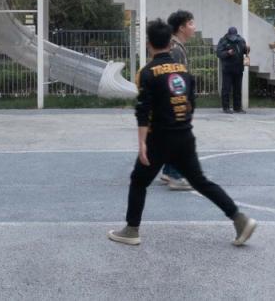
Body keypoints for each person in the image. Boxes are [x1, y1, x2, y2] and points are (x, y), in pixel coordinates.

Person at [108, 19, 257, 247]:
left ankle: (131, 230)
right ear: (170, 43)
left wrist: (142, 143)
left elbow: (143, 111)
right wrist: (182, 126)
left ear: (148, 44)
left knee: (138, 181)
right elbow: (190, 105)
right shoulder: (184, 71)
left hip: (159, 138)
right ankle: (240, 219)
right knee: (201, 182)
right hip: (184, 135)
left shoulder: (147, 73)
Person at [159, 10, 198, 192]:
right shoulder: (175, 49)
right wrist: (182, 101)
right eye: (191, 23)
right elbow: (173, 78)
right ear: (181, 28)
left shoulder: (175, 46)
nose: (194, 27)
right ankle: (176, 177)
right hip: (174, 101)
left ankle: (168, 171)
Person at [216, 26, 250, 113]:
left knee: (237, 89)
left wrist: (247, 49)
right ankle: (226, 107)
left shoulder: (241, 40)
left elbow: (244, 51)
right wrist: (228, 53)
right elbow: (219, 53)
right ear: (228, 34)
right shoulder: (223, 40)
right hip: (227, 69)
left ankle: (237, 108)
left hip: (238, 68)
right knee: (226, 89)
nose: (233, 38)